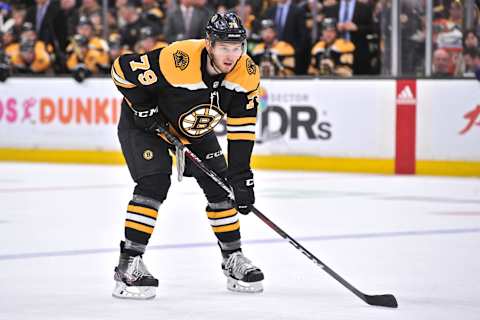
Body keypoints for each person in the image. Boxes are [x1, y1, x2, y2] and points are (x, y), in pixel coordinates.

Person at [110, 12, 264, 300]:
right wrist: (143, 107)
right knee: (154, 184)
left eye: (237, 47)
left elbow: (242, 130)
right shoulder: (179, 58)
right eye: (223, 47)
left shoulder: (247, 73)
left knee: (223, 187)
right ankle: (128, 263)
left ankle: (233, 257)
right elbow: (121, 69)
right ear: (209, 44)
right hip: (145, 125)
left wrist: (241, 177)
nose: (231, 55)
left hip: (194, 128)